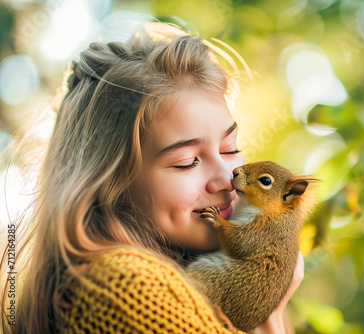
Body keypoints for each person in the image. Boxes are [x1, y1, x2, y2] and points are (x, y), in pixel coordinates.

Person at [0, 22, 303, 333]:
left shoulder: (202, 270)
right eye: (187, 162)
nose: (228, 178)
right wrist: (268, 319)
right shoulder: (127, 288)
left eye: (230, 148)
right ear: (108, 184)